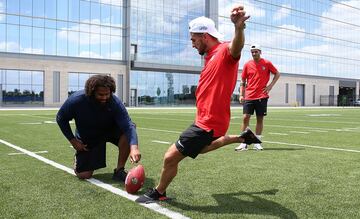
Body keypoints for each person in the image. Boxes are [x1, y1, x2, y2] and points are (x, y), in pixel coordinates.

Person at [136, 5, 261, 203]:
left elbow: (236, 48)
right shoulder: (210, 57)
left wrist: (238, 28)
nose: (192, 45)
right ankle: (241, 137)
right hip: (206, 120)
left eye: (193, 40)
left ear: (205, 36)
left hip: (208, 123)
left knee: (170, 157)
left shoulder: (223, 52)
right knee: (200, 149)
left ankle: (159, 192)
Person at [56, 74, 141, 181]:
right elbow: (61, 118)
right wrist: (73, 141)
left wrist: (134, 148)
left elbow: (128, 126)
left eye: (107, 94)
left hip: (109, 131)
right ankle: (79, 159)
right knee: (84, 175)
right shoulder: (76, 101)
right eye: (100, 94)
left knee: (130, 129)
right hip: (89, 135)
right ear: (91, 93)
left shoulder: (114, 102)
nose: (105, 97)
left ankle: (119, 170)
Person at [235, 44, 280, 151]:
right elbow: (242, 80)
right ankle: (244, 143)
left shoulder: (267, 63)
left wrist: (270, 86)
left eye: (256, 51)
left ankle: (257, 143)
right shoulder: (247, 64)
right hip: (249, 96)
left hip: (262, 96)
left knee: (260, 119)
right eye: (252, 52)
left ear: (260, 52)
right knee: (245, 118)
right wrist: (241, 94)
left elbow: (277, 74)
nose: (254, 53)